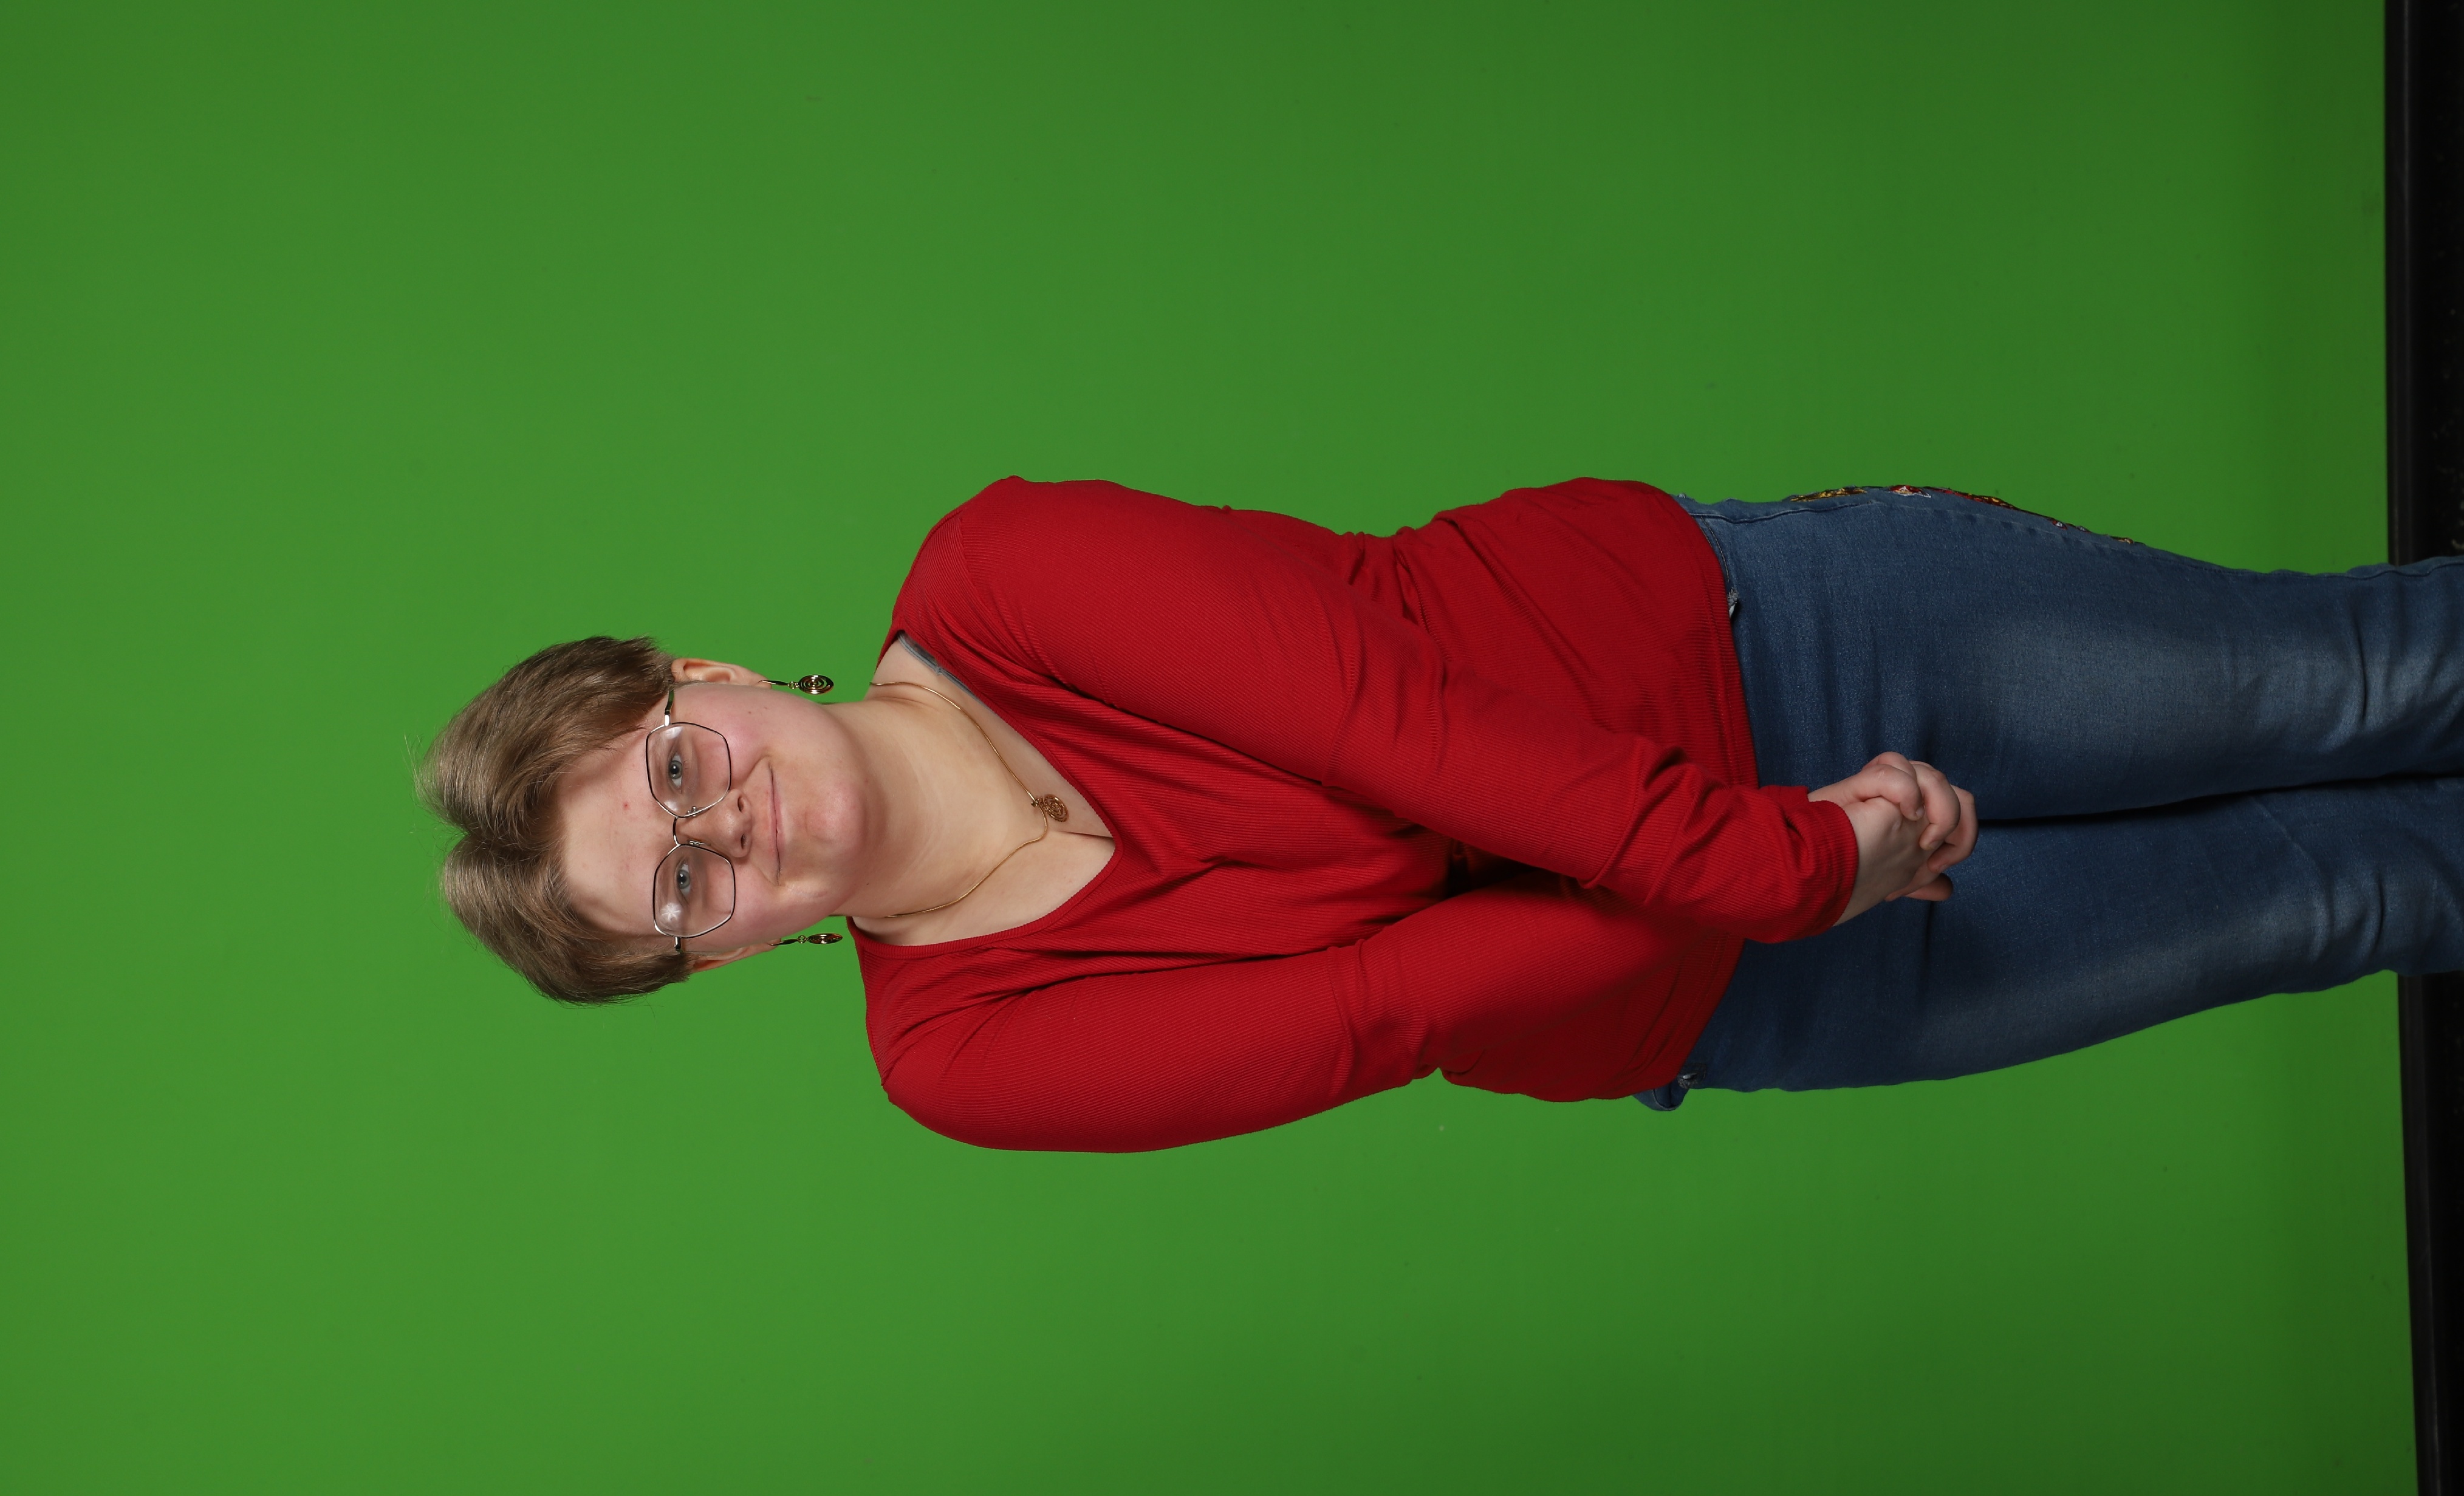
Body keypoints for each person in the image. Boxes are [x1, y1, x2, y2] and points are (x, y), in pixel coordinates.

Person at [420, 477, 2464, 1151]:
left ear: (703, 678)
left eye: (674, 772)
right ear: (719, 959)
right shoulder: (954, 1054)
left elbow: (1401, 730)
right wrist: (1785, 902)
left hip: (1758, 661)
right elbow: (1380, 1010)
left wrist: (1783, 855)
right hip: (1736, 990)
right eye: (679, 893)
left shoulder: (1001, 574)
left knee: (2358, 684)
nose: (728, 831)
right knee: (2336, 904)